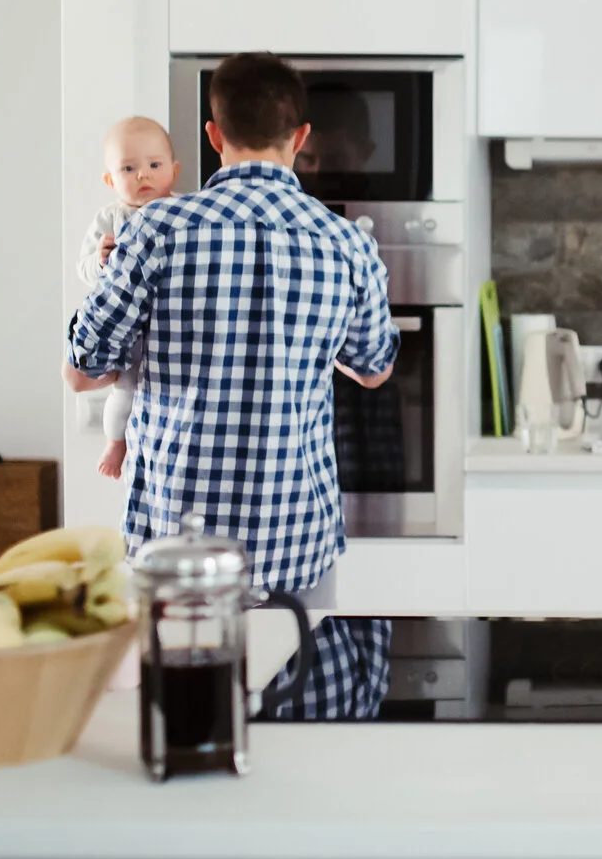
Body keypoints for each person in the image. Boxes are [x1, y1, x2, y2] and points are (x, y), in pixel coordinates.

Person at [65, 52, 397, 720]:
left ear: (213, 136)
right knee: (302, 739)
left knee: (191, 729)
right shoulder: (346, 244)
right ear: (299, 138)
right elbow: (374, 366)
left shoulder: (156, 230)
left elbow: (83, 370)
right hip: (297, 544)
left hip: (180, 547)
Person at [75, 116, 180, 480]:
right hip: (128, 328)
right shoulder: (111, 217)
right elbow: (84, 270)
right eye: (128, 168)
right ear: (110, 180)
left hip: (171, 325)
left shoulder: (183, 213)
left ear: (174, 170)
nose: (143, 175)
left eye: (154, 165)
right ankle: (115, 443)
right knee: (125, 389)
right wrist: (100, 261)